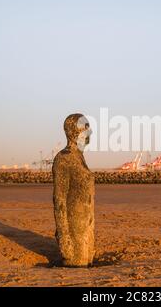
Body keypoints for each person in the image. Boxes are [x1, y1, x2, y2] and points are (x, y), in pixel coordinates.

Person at [52, 113, 95, 267]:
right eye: (85, 127)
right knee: (78, 265)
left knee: (86, 264)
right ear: (72, 131)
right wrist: (64, 238)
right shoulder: (63, 158)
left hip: (86, 228)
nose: (89, 132)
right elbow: (59, 201)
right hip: (74, 229)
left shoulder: (79, 157)